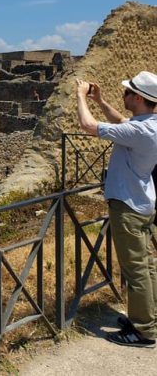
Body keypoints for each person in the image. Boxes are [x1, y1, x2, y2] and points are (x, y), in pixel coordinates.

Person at [76, 71, 157, 348]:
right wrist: (100, 100)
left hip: (128, 206)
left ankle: (144, 332)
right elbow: (121, 122)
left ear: (137, 97)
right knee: (146, 267)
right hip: (144, 203)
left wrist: (80, 95)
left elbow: (88, 125)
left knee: (135, 271)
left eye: (126, 93)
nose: (123, 96)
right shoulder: (148, 126)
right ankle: (147, 317)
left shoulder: (139, 131)